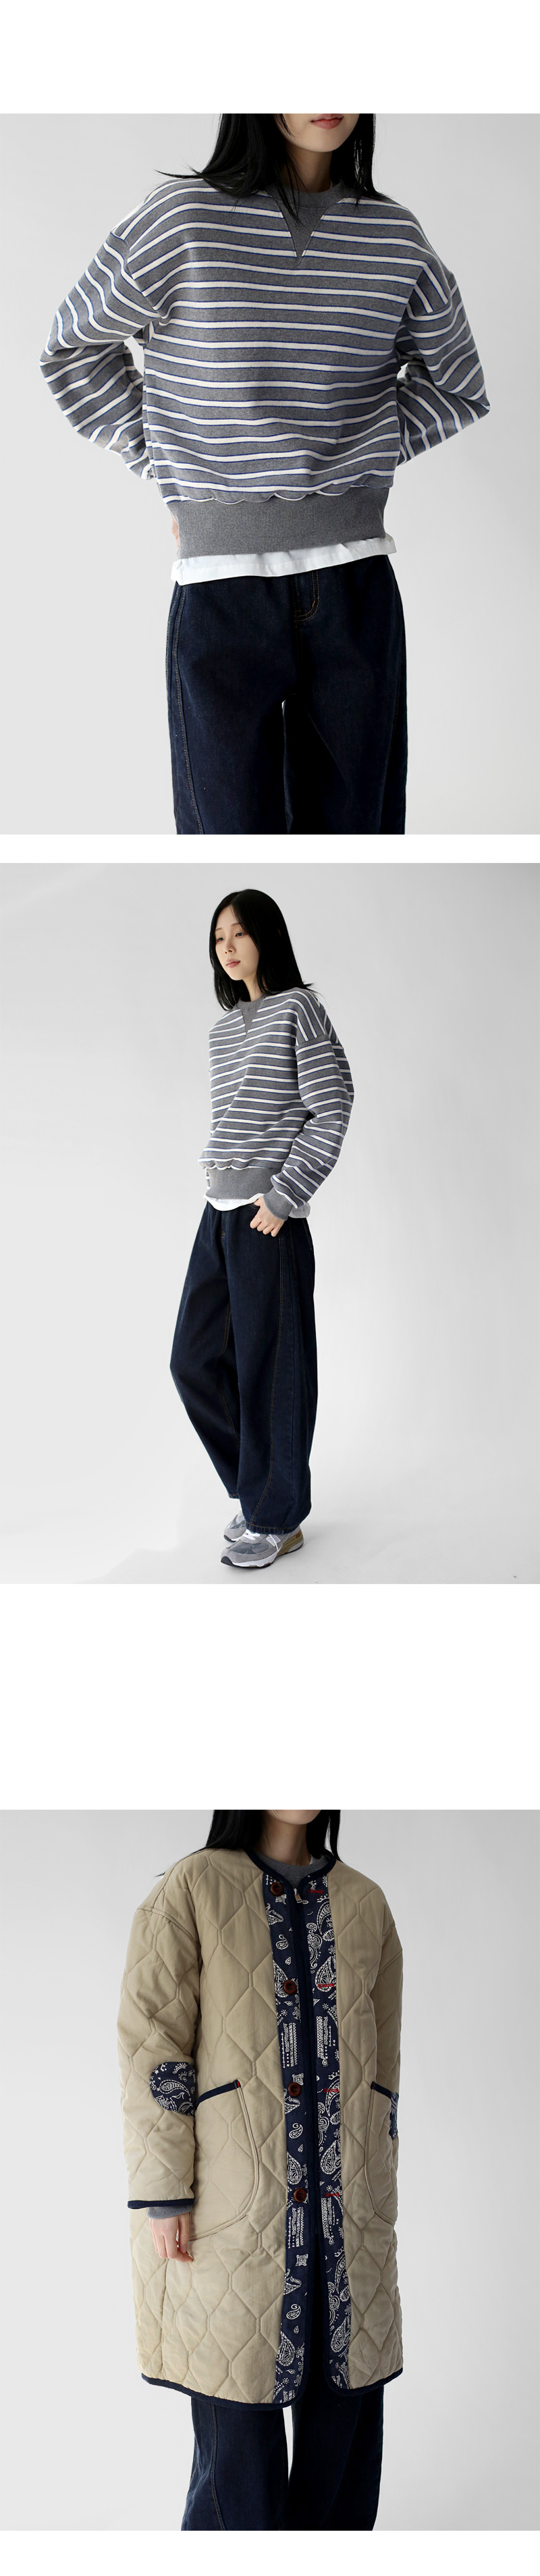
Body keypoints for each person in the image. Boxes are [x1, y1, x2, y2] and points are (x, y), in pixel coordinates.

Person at [40, 115, 489, 835]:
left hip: (354, 583)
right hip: (222, 589)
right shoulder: (182, 219)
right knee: (223, 832)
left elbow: (459, 383)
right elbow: (72, 348)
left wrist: (363, 453)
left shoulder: (394, 237)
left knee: (358, 832)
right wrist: (172, 465)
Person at [117, 1806, 404, 2531]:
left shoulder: (366, 1903)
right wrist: (165, 2192)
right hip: (231, 2219)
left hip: (347, 2219)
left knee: (344, 2443)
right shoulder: (193, 1888)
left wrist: (376, 2194)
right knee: (236, 2466)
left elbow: (383, 2080)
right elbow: (154, 2049)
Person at [169, 889, 353, 1569]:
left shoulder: (299, 1008)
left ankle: (277, 1517)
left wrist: (284, 1194)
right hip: (217, 1214)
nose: (227, 945)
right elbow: (235, 1119)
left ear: (266, 937)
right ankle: (258, 1490)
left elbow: (333, 1105)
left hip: (268, 1219)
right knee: (193, 1360)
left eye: (240, 932)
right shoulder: (222, 1032)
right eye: (219, 936)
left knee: (272, 1370)